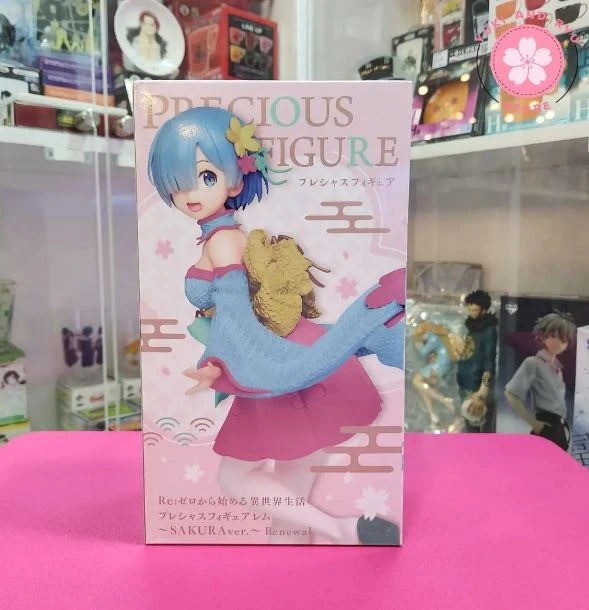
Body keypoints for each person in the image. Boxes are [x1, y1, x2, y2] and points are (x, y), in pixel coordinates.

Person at [148, 106, 405, 545]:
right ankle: (320, 543)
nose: (190, 193)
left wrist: (220, 365)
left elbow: (235, 314)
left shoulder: (223, 242)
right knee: (289, 486)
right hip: (285, 350)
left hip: (274, 359)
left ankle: (342, 531)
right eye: (178, 182)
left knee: (234, 477)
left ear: (234, 180)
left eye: (205, 176)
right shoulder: (224, 235)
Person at [505, 312, 576, 451]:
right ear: (542, 336)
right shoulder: (533, 363)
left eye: (564, 339)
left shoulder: (557, 367)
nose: (559, 342)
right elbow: (511, 393)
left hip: (560, 427)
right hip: (546, 424)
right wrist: (534, 423)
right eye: (554, 336)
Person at [456, 290, 498, 432]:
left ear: (484, 310)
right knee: (469, 424)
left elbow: (489, 361)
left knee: (480, 424)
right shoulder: (471, 327)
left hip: (477, 384)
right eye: (469, 309)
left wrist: (483, 389)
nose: (471, 313)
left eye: (475, 310)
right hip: (465, 381)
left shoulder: (488, 331)